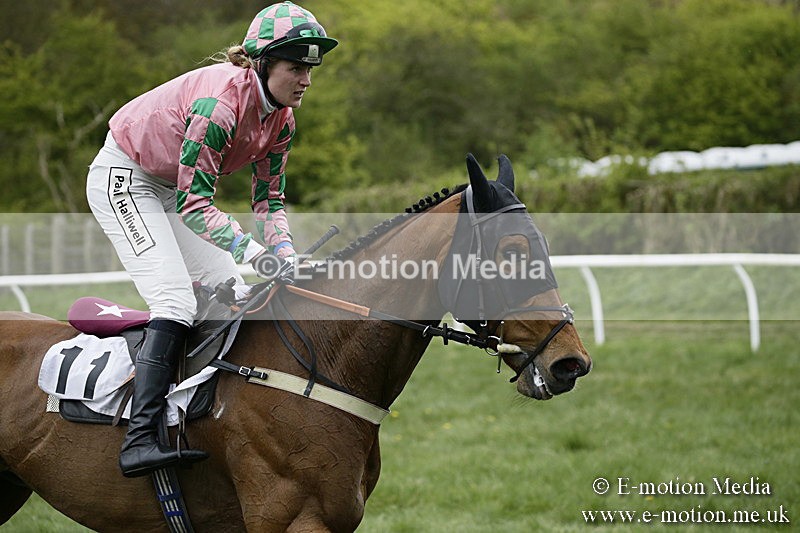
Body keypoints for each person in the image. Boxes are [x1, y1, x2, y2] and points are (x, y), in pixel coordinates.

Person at [85, 1, 338, 478]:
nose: (306, 79)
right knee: (176, 301)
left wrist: (284, 252)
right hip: (126, 177)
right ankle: (138, 439)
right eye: (296, 67)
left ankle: (196, 414)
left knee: (230, 293)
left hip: (171, 187)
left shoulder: (281, 118)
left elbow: (269, 202)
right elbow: (195, 205)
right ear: (262, 65)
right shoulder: (219, 105)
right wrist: (257, 255)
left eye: (311, 68)